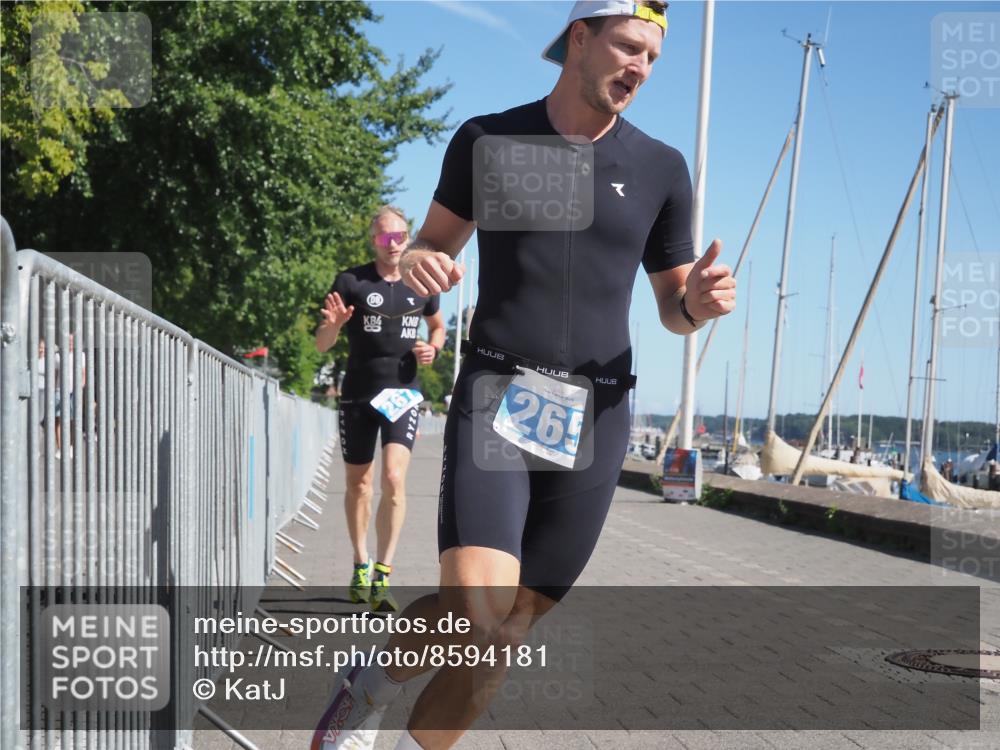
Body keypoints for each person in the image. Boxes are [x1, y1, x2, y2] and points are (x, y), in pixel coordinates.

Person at [312, 3, 736, 749]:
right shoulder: (488, 138)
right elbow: (431, 246)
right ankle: (368, 690)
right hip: (501, 391)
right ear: (580, 39)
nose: (639, 67)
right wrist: (417, 262)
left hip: (599, 413)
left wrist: (696, 306)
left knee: (505, 635)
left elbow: (673, 305)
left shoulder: (662, 167)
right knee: (477, 607)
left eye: (652, 58)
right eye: (628, 47)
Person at [315, 205, 446, 612]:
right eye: (386, 237)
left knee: (393, 478)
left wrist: (434, 348)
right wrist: (334, 325)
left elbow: (438, 325)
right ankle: (359, 562)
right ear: (374, 240)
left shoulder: (420, 282)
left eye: (401, 236)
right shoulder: (351, 281)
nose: (394, 244)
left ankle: (383, 574)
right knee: (359, 485)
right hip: (358, 393)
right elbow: (322, 343)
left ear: (408, 238)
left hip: (403, 393)